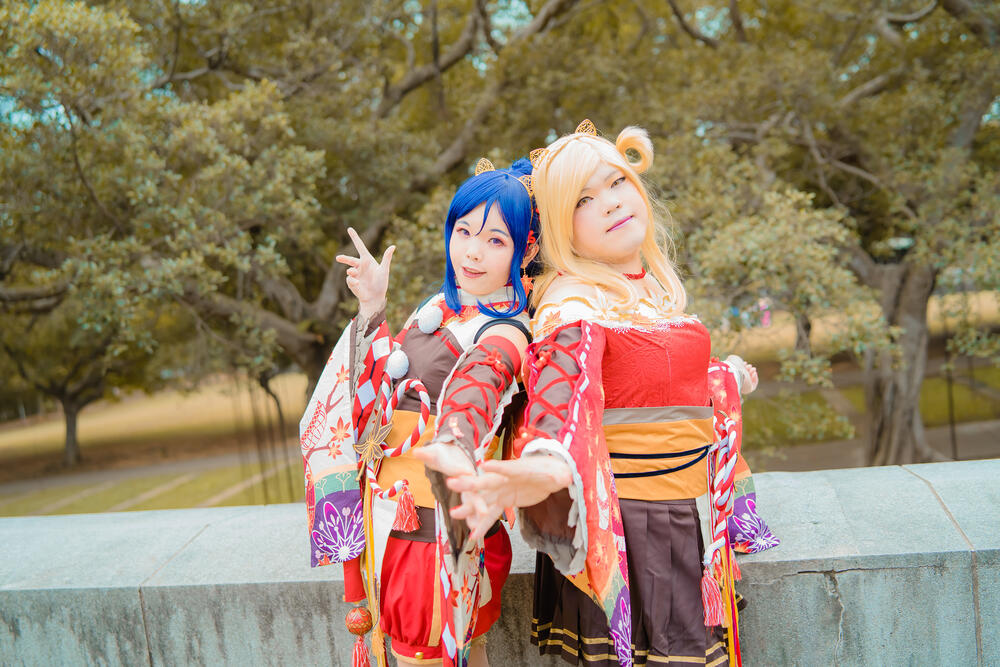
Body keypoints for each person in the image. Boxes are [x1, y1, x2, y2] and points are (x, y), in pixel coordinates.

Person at [432, 121, 768, 667]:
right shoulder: (573, 303)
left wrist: (725, 376)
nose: (611, 202)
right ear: (561, 229)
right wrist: (543, 466)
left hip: (683, 513)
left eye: (617, 182)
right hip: (633, 528)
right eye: (583, 200)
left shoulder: (648, 287)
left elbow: (652, 386)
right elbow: (562, 389)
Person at [300, 158, 540, 667]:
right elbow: (379, 394)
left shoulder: (506, 331)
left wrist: (454, 439)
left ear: (527, 249)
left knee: (421, 656)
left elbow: (481, 386)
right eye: (464, 231)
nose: (472, 251)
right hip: (399, 514)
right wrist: (373, 306)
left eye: (495, 240)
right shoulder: (442, 306)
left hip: (434, 525)